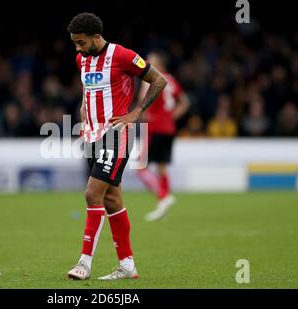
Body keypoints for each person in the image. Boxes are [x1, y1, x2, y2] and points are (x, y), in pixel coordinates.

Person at [66, 13, 167, 280]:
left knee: (91, 194)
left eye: (80, 42)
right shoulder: (82, 59)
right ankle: (127, 265)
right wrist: (84, 106)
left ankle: (84, 264)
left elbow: (159, 80)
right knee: (111, 199)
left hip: (116, 135)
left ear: (96, 37)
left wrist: (136, 113)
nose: (77, 48)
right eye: (75, 43)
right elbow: (90, 89)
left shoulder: (123, 56)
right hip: (91, 136)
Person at [136, 50, 190, 221]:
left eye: (150, 62)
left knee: (140, 167)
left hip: (155, 128)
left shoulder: (152, 79)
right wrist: (170, 116)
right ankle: (163, 205)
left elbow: (141, 102)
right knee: (161, 166)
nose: (146, 65)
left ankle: (163, 196)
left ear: (158, 64)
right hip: (169, 129)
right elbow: (185, 102)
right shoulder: (171, 79)